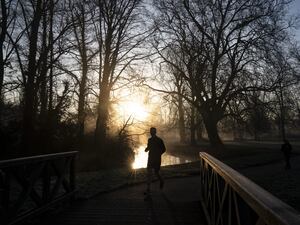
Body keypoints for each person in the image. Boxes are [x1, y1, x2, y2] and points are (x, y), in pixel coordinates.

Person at [145, 127, 166, 194]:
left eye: (153, 131)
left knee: (156, 173)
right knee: (149, 173)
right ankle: (148, 189)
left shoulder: (159, 140)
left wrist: (158, 154)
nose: (151, 133)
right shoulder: (149, 140)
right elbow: (149, 147)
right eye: (151, 131)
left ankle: (161, 181)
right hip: (151, 158)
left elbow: (164, 149)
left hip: (157, 159)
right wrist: (146, 149)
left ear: (155, 132)